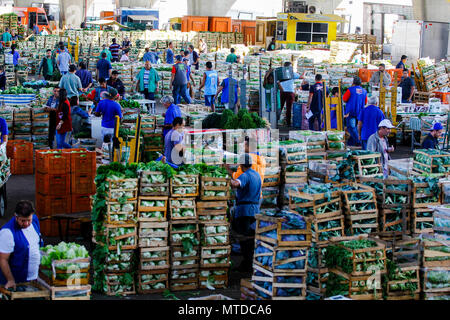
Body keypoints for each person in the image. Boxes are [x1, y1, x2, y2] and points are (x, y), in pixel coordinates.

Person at [228, 153, 262, 272]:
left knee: (244, 238)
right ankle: (247, 263)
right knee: (250, 237)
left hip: (245, 211)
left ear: (242, 164)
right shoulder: (257, 175)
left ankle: (248, 265)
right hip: (255, 210)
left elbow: (235, 184)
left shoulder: (245, 175)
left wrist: (228, 177)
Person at [0, 201, 44, 289]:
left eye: (29, 220)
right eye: (23, 221)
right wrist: (10, 280)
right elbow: (3, 259)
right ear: (16, 217)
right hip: (19, 282)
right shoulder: (7, 233)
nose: (27, 223)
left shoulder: (35, 220)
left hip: (35, 280)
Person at [343, 76, 367, 146]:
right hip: (360, 113)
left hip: (351, 112)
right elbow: (365, 102)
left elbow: (344, 99)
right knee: (358, 128)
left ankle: (358, 142)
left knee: (351, 128)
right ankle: (355, 142)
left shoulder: (350, 90)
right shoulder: (364, 91)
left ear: (353, 82)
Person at [279, 61, 300, 127]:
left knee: (280, 107)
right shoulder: (293, 74)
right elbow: (300, 76)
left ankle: (277, 120)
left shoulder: (281, 73)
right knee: (289, 108)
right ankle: (288, 123)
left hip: (282, 91)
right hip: (290, 92)